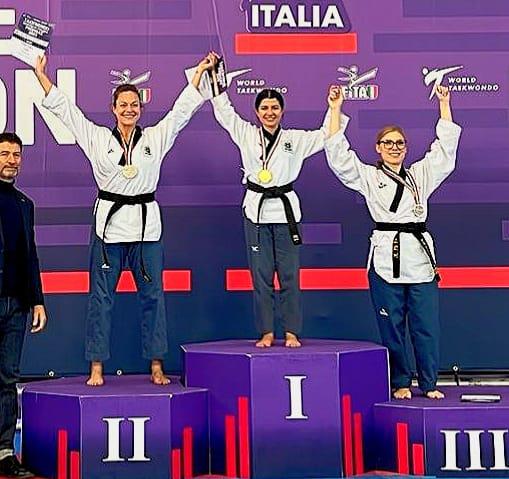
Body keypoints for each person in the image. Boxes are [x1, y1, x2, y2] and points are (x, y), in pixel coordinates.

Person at [34, 54, 214, 386]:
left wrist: (201, 73)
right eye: (123, 105)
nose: (129, 109)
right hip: (109, 230)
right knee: (101, 300)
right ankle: (96, 366)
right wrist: (41, 74)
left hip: (146, 229)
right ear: (113, 109)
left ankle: (157, 364)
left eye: (134, 104)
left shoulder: (155, 138)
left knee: (153, 297)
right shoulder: (98, 138)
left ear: (140, 109)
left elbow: (181, 111)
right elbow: (67, 111)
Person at [325, 85, 461, 399]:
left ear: (406, 147)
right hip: (386, 257)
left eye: (399, 143)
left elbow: (445, 151)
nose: (395, 147)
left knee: (427, 326)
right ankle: (400, 381)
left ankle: (429, 383)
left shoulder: (420, 175)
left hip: (420, 259)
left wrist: (444, 103)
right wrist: (335, 108)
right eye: (388, 143)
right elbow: (339, 157)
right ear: (378, 148)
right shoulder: (370, 177)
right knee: (392, 327)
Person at [210, 57, 338, 347]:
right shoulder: (245, 133)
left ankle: (291, 331)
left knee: (290, 276)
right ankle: (266, 331)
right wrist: (215, 76)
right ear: (257, 112)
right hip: (256, 213)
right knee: (261, 276)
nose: (270, 112)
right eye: (265, 108)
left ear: (282, 111)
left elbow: (326, 136)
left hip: (286, 213)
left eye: (275, 108)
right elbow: (224, 112)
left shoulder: (294, 139)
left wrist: (333, 107)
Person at [0, 132, 47, 478]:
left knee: (7, 378)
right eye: (4, 153)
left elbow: (31, 256)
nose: (11, 160)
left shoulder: (24, 204)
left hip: (16, 305)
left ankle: (4, 451)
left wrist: (37, 301)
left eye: (16, 155)